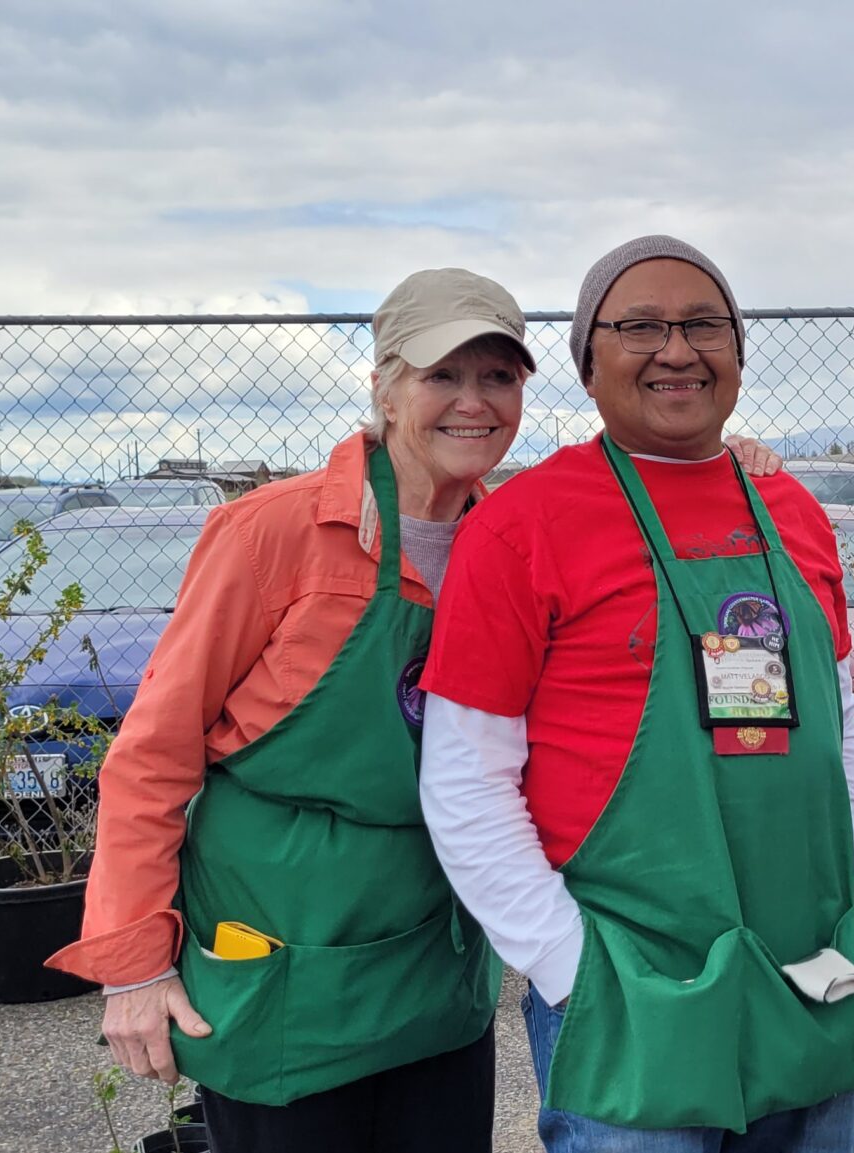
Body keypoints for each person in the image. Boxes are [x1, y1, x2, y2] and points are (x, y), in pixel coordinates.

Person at [45, 267, 781, 1153]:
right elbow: (153, 753)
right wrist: (134, 963)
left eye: (498, 377)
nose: (473, 402)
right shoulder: (272, 535)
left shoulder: (510, 535)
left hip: (435, 966)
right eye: (443, 375)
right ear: (385, 387)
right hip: (283, 962)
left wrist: (725, 458)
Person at [418, 235, 854, 1152]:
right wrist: (569, 967)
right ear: (588, 359)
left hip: (817, 960)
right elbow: (465, 778)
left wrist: (850, 889)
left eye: (703, 324)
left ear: (736, 348)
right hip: (632, 985)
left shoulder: (795, 513)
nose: (677, 349)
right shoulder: (523, 527)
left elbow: (838, 728)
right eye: (640, 325)